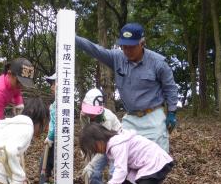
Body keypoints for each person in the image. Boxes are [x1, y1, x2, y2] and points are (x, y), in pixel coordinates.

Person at [75, 23, 178, 153]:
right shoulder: (117, 58)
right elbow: (95, 50)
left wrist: (172, 112)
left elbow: (170, 88)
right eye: (124, 46)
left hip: (153, 117)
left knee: (156, 161)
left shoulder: (158, 63)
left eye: (131, 47)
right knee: (126, 158)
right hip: (130, 118)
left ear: (142, 43)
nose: (127, 51)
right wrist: (74, 39)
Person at [80, 88, 124, 184]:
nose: (90, 115)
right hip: (99, 145)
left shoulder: (107, 118)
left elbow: (103, 146)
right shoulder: (84, 114)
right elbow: (85, 132)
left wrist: (91, 163)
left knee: (113, 174)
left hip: (116, 145)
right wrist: (85, 152)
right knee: (93, 174)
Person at [42, 73, 56, 184]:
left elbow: (56, 123)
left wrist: (50, 137)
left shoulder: (58, 105)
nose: (51, 87)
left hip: (57, 139)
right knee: (47, 162)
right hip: (54, 138)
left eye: (54, 84)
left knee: (46, 163)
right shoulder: (54, 104)